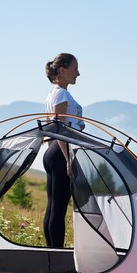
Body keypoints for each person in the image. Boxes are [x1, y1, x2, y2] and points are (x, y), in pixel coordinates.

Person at [43, 53, 85, 248]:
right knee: (58, 209)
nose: (78, 73)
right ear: (62, 70)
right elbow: (60, 128)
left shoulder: (52, 94)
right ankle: (56, 254)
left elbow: (48, 124)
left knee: (53, 207)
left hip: (53, 150)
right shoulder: (62, 94)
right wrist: (68, 158)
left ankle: (51, 254)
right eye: (75, 69)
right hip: (61, 151)